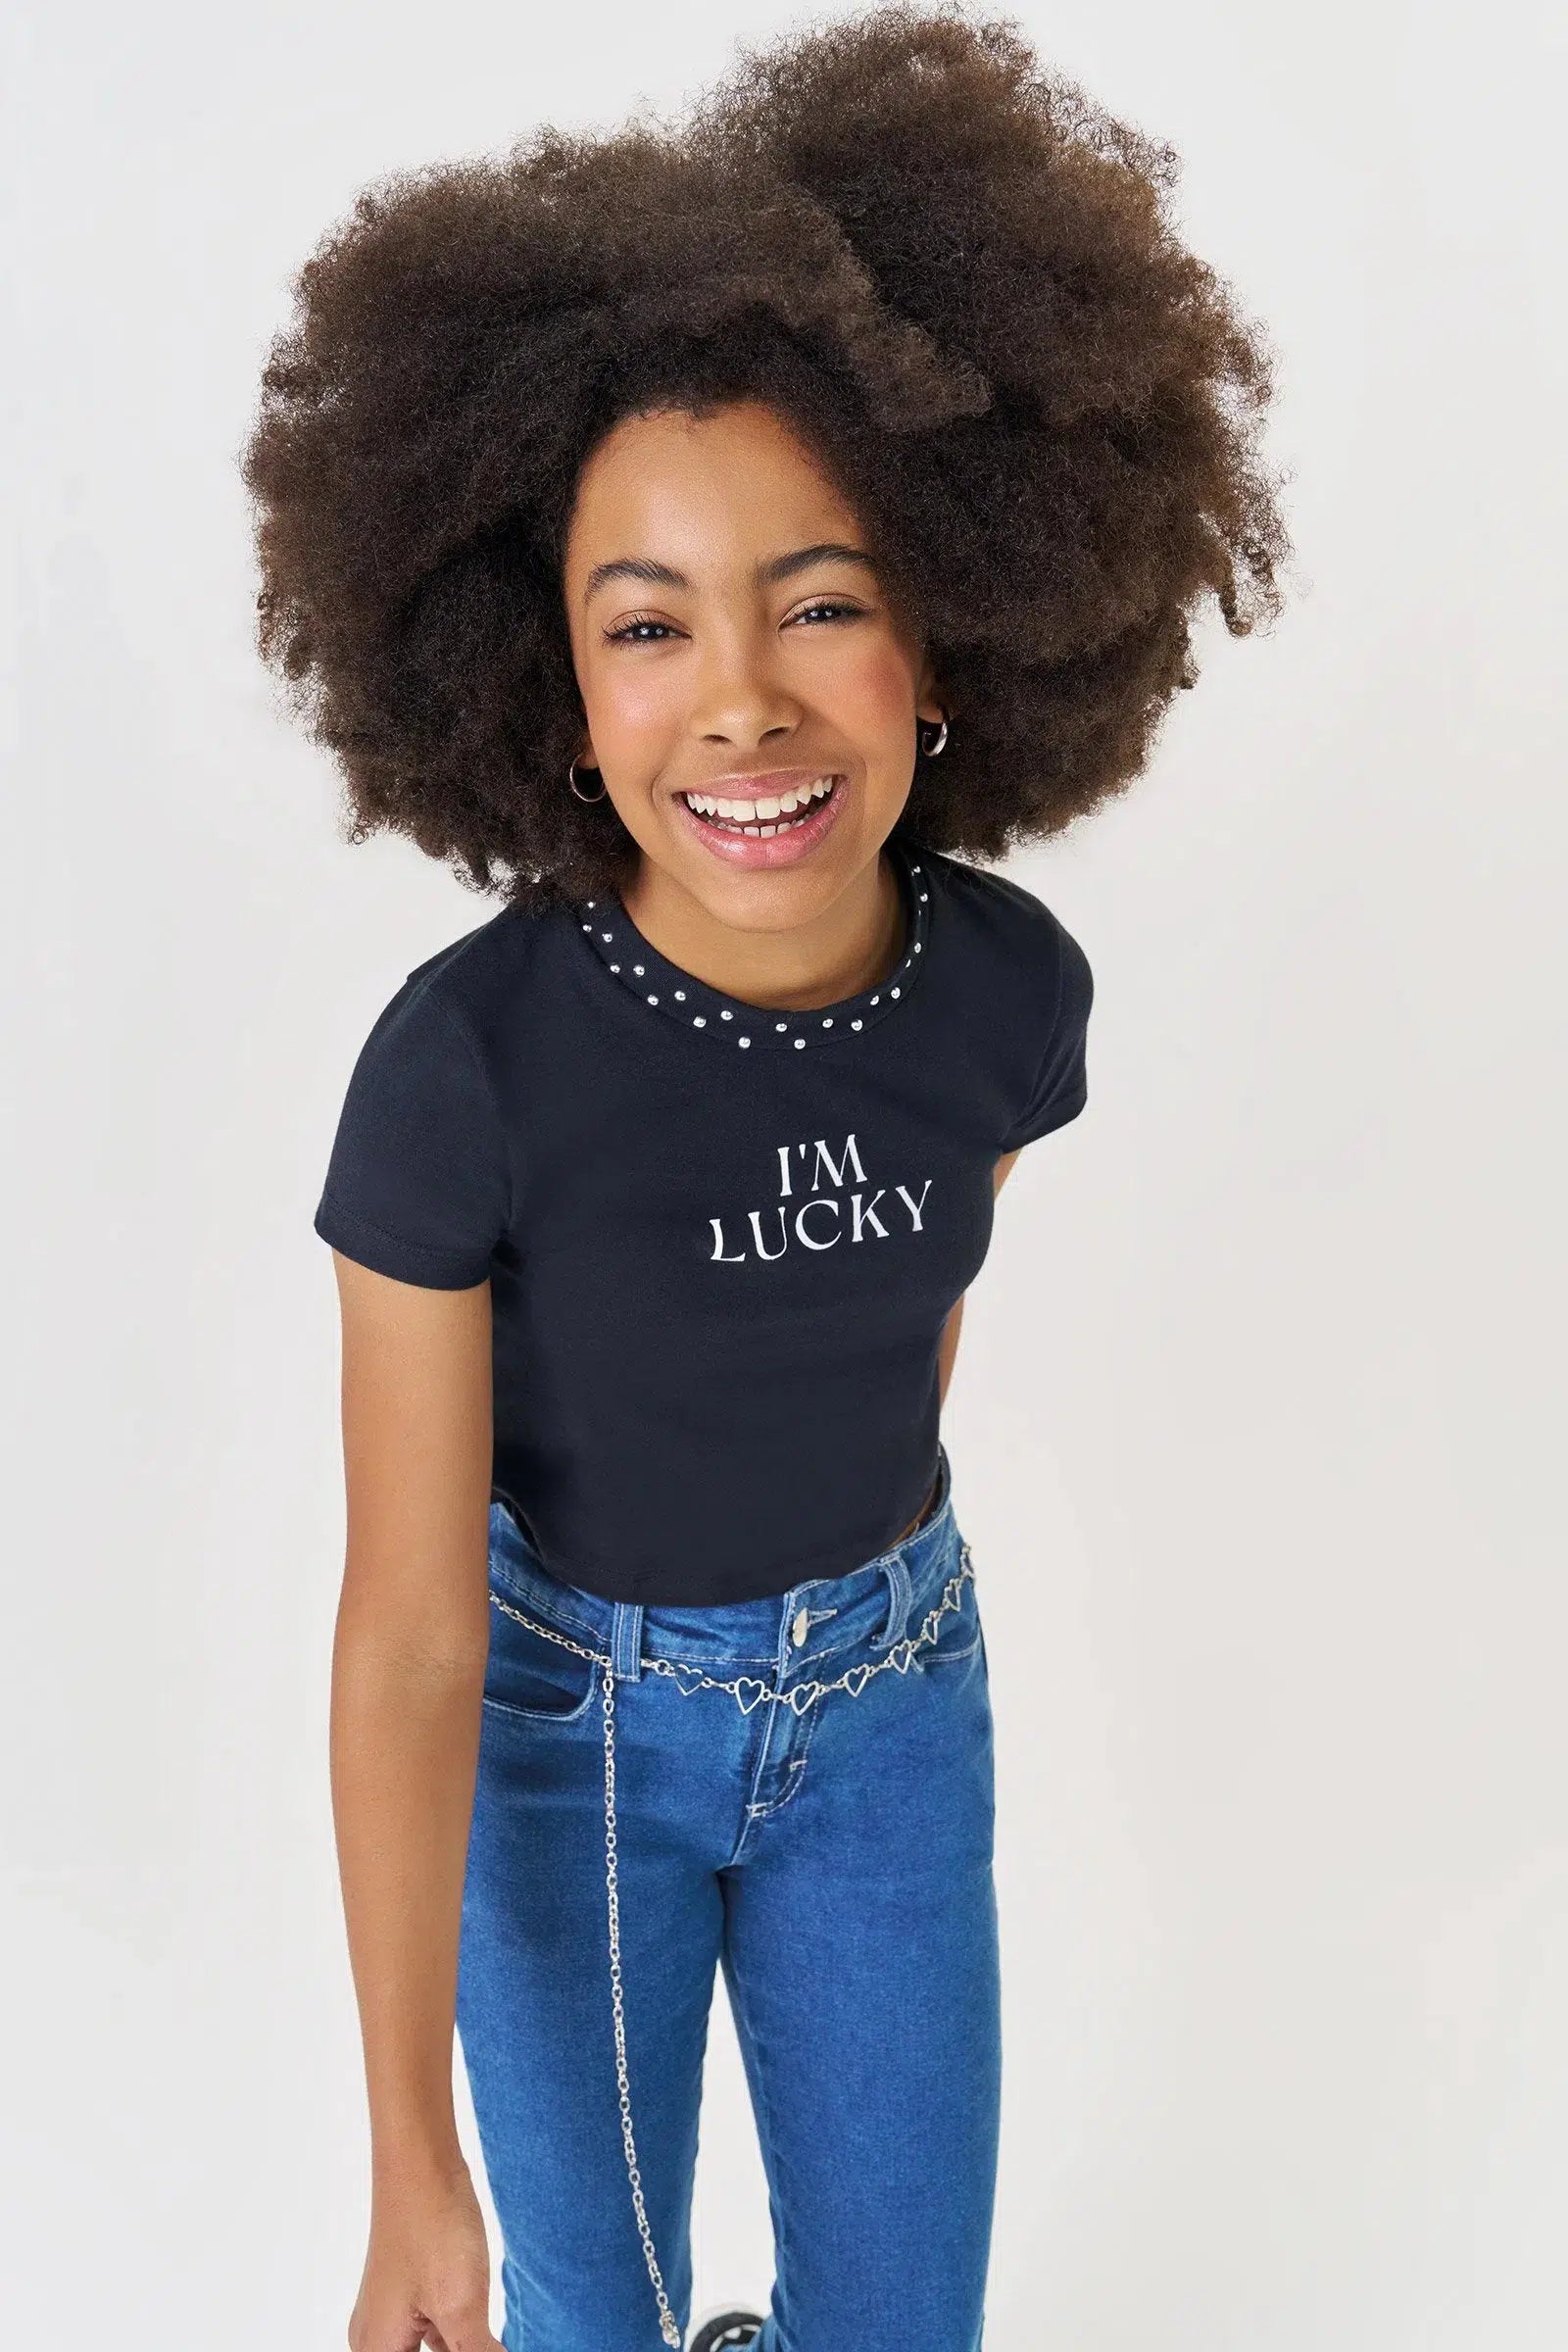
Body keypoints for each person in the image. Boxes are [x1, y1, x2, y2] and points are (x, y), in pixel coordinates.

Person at [244, 6, 1287, 2346]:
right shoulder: (463, 1070)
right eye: (647, 626)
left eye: (818, 600)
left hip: (891, 1708)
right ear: (548, 687)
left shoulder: (1002, 994)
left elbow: (894, 1324)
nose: (738, 697)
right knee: (586, 2313)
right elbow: (405, 1632)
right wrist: (407, 2163)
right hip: (560, 1743)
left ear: (953, 633)